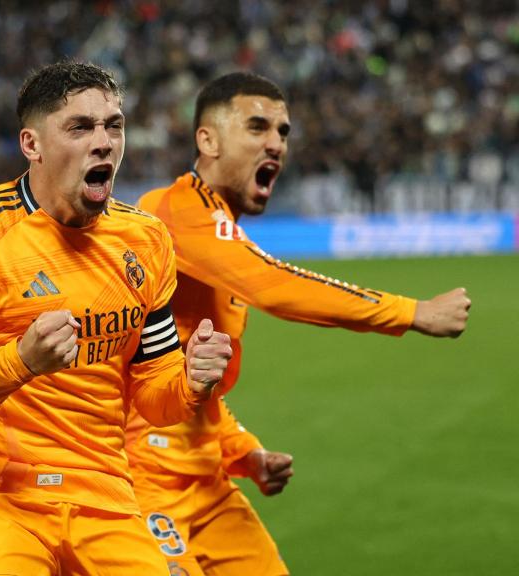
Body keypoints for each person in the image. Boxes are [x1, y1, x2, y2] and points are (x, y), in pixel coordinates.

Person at [0, 60, 234, 575]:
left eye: (113, 125)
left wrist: (190, 382)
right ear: (32, 145)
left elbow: (153, 394)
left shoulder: (145, 240)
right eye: (79, 127)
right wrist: (21, 361)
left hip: (103, 493)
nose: (104, 142)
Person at [128, 71, 472, 576]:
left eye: (283, 132)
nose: (276, 143)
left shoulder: (223, 245)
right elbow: (276, 286)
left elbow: (198, 386)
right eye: (258, 126)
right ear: (208, 139)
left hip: (206, 480)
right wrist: (411, 311)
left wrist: (245, 453)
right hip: (141, 481)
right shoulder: (170, 211)